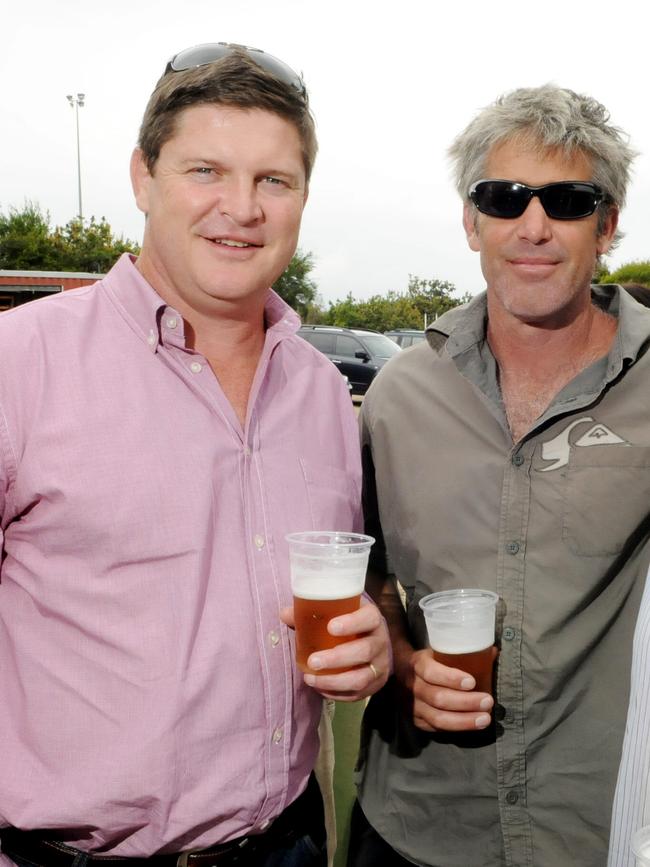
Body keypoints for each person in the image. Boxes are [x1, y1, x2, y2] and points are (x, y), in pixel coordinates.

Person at [0, 43, 390, 867]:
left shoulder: (324, 394)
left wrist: (378, 644)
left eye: (273, 181)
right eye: (205, 170)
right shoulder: (19, 363)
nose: (241, 208)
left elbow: (348, 595)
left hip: (285, 844)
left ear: (303, 198)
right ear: (143, 178)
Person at [347, 84, 650, 867]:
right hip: (416, 826)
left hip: (597, 834)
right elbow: (367, 569)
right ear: (471, 220)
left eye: (569, 200)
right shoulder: (398, 394)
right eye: (504, 196)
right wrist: (406, 663)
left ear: (608, 224)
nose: (534, 225)